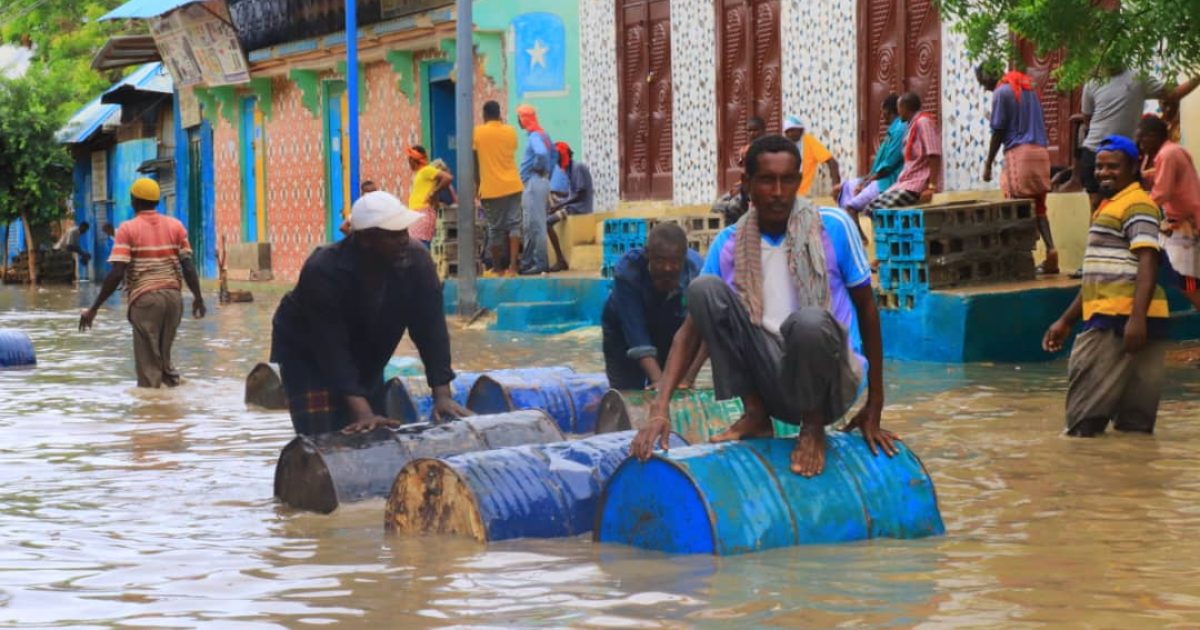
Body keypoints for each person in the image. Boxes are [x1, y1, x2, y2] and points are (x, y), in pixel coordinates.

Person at [631, 135, 897, 477]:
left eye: (787, 180)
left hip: (832, 378)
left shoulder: (834, 226)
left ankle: (812, 427)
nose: (778, 192)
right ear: (748, 184)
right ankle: (756, 414)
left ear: (798, 181)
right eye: (767, 180)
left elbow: (868, 310)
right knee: (703, 289)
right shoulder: (729, 243)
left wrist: (875, 404)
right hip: (773, 380)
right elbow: (689, 332)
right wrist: (659, 409)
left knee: (808, 322)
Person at [269, 191, 470, 436]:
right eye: (392, 235)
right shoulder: (323, 270)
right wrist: (362, 412)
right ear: (365, 239)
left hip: (368, 347)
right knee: (323, 437)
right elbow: (331, 347)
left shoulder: (417, 262)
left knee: (374, 431)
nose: (403, 241)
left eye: (404, 232)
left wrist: (442, 395)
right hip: (307, 353)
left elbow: (431, 329)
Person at [1042, 135, 1169, 437]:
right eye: (1099, 167)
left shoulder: (1137, 204)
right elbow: (1098, 276)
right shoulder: (1111, 206)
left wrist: (1136, 319)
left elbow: (1148, 261)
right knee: (1134, 430)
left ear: (1133, 167)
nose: (1103, 173)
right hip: (1128, 317)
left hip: (1119, 320)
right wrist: (1066, 320)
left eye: (1113, 166)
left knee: (1082, 426)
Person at [78, 179, 206, 388]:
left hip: (146, 300)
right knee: (164, 365)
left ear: (134, 201)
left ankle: (151, 406)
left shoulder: (127, 229)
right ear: (157, 201)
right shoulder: (176, 226)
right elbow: (188, 267)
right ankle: (174, 403)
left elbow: (117, 273)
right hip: (174, 299)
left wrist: (94, 308)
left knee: (149, 371)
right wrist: (198, 298)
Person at [1076, 68, 1199, 209]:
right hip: (1094, 151)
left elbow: (1173, 94)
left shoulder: (1138, 77)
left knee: (1126, 201)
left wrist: (1197, 78)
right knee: (1097, 204)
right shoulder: (1092, 82)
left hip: (1124, 154)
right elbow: (1087, 119)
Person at [602, 223, 705, 390]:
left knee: (677, 388)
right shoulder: (628, 271)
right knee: (628, 390)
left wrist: (688, 378)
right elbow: (636, 334)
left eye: (674, 262)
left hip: (673, 329)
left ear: (684, 257)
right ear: (647, 254)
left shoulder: (698, 274)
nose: (667, 268)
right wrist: (659, 383)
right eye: (659, 260)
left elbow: (702, 334)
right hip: (623, 330)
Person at [978, 66, 1058, 274]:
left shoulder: (1001, 92)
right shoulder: (1028, 88)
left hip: (1019, 155)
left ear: (988, 77)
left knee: (1016, 208)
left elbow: (998, 131)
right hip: (1040, 153)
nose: (985, 88)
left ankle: (1020, 261)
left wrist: (988, 164)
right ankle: (1052, 251)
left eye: (983, 83)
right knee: (1039, 208)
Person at [1137, 115, 1200, 309]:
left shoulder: (1168, 155)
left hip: (1184, 224)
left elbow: (1161, 193)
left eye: (1142, 138)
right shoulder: (1172, 151)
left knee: (1187, 281)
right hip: (1179, 224)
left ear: (1153, 136)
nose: (1140, 143)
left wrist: (1135, 209)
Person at [867, 92, 942, 212]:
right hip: (905, 183)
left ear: (905, 108)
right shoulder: (911, 125)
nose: (898, 112)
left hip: (916, 185)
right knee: (871, 206)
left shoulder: (923, 122)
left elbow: (934, 154)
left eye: (899, 108)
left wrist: (931, 187)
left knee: (875, 209)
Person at [836, 94, 906, 222]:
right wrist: (865, 180)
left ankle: (856, 231)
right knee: (845, 187)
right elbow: (879, 166)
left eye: (883, 110)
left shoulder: (899, 129)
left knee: (850, 207)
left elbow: (889, 165)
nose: (882, 114)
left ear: (888, 111)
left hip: (888, 181)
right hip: (878, 178)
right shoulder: (892, 131)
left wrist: (866, 183)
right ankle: (849, 224)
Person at [473, 100, 524, 277]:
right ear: (499, 114)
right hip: (513, 185)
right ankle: (513, 267)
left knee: (495, 228)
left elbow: (475, 163)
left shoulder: (477, 133)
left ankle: (497, 268)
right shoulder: (510, 131)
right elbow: (510, 151)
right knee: (514, 225)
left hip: (491, 188)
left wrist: (477, 186)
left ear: (484, 115)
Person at [517, 104, 556, 275]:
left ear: (524, 119)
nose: (519, 121)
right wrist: (547, 173)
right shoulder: (544, 135)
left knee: (536, 226)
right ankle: (527, 263)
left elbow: (541, 153)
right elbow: (554, 155)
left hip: (533, 183)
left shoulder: (534, 136)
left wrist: (537, 168)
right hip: (541, 182)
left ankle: (540, 263)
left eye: (519, 117)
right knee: (530, 225)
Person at [545, 142, 594, 272]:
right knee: (547, 214)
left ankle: (560, 260)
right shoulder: (569, 169)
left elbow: (580, 194)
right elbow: (572, 194)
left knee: (547, 222)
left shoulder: (577, 167)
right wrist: (556, 194)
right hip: (573, 206)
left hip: (579, 208)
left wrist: (559, 205)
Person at [406, 146, 453, 249]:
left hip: (423, 215)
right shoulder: (420, 173)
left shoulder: (426, 170)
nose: (409, 162)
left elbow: (448, 178)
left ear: (414, 160)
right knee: (416, 247)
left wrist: (434, 192)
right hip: (417, 214)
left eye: (409, 159)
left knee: (419, 246)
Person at [782, 115, 841, 197]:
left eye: (792, 130)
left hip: (807, 193)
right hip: (789, 194)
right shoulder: (785, 145)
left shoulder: (809, 141)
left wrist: (836, 187)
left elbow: (832, 162)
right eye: (787, 132)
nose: (789, 134)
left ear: (801, 130)